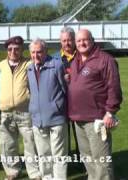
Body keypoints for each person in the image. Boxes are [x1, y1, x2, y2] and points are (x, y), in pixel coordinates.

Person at [68, 29, 122, 180]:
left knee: (101, 160)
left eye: (85, 40)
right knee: (88, 158)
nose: (82, 43)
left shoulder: (105, 60)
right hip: (78, 119)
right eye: (78, 41)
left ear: (92, 40)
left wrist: (110, 112)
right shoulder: (75, 60)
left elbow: (114, 87)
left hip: (97, 119)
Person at [0, 36, 41, 180]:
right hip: (5, 112)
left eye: (16, 49)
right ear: (6, 51)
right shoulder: (0, 66)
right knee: (7, 144)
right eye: (10, 49)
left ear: (22, 49)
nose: (13, 51)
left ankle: (34, 172)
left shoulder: (29, 64)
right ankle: (12, 171)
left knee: (31, 143)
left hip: (25, 111)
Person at [27, 38, 68, 179]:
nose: (36, 55)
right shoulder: (29, 68)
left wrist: (57, 106)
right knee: (43, 154)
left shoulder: (56, 65)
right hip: (38, 120)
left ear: (46, 51)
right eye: (33, 52)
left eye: (39, 52)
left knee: (59, 155)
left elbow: (65, 88)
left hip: (57, 118)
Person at [54, 26, 84, 170]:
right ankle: (64, 166)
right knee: (62, 137)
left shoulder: (83, 56)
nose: (67, 43)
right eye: (64, 40)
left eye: (69, 40)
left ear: (74, 40)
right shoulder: (54, 58)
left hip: (80, 103)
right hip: (61, 103)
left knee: (81, 135)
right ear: (60, 42)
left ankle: (84, 163)